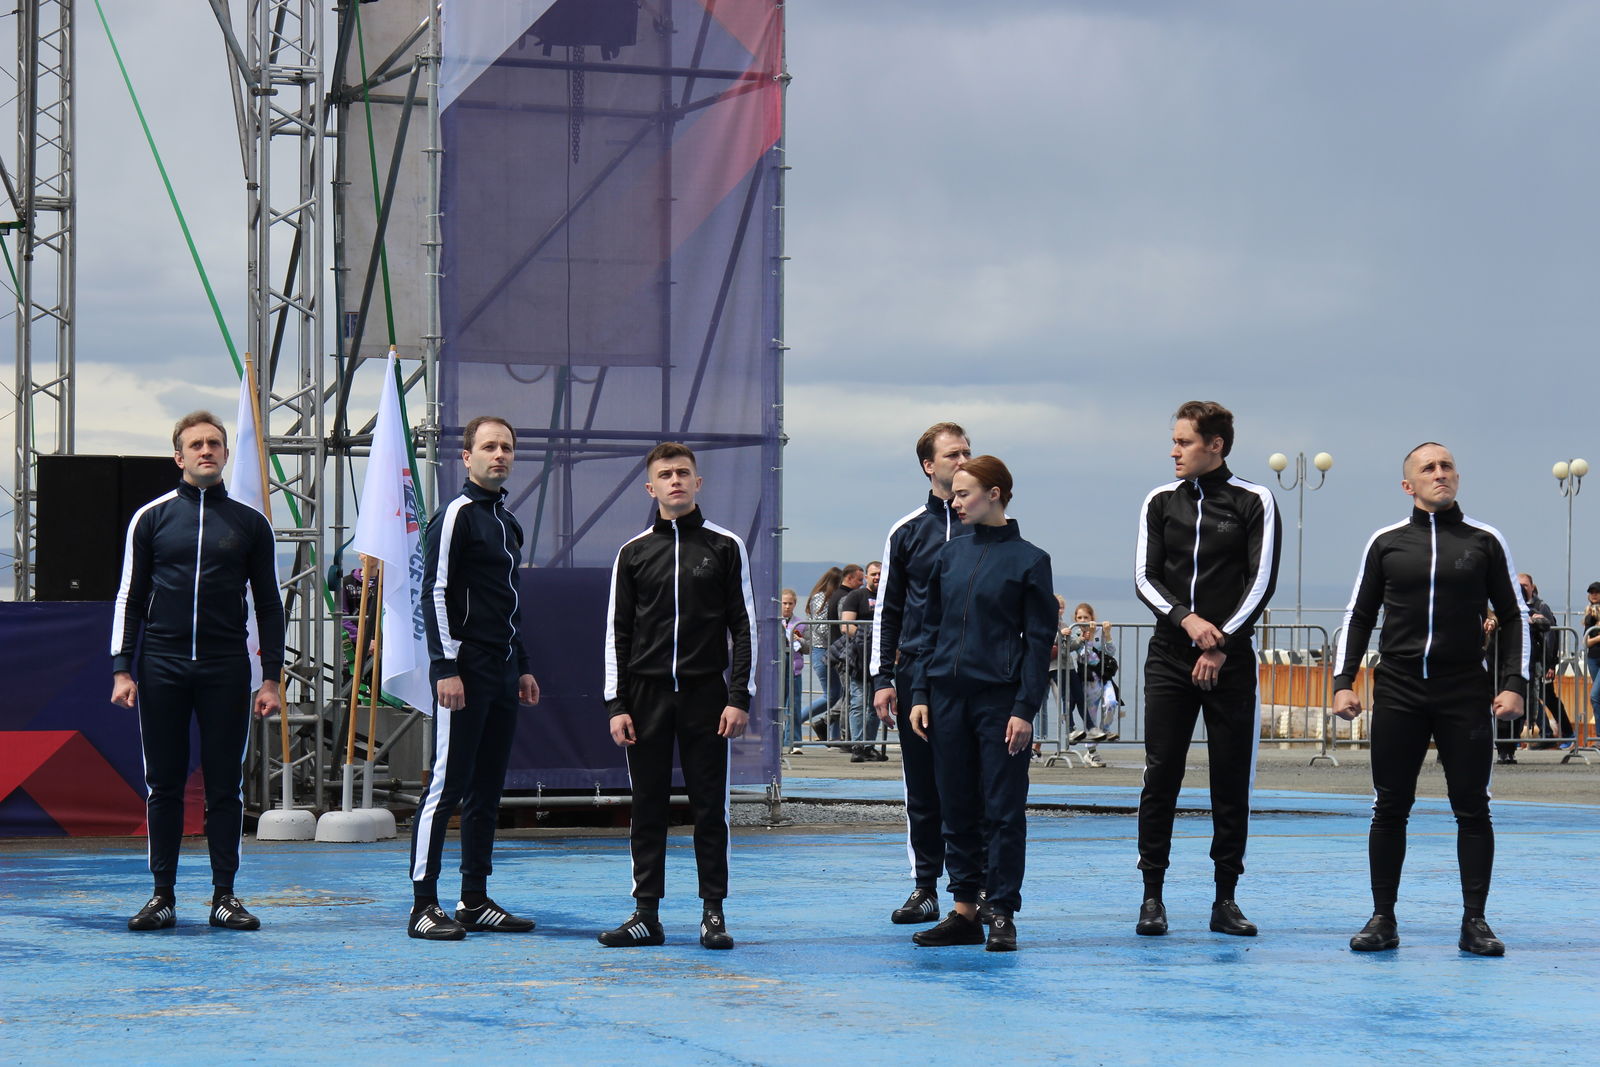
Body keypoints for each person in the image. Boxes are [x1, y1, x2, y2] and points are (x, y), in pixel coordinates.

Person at [1332, 442, 1527, 956]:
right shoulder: (1386, 542)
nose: (1440, 473)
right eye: (1429, 468)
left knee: (1473, 807)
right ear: (1408, 485)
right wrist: (1343, 680)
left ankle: (1475, 921)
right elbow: (1358, 615)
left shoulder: (1485, 540)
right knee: (1389, 806)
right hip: (1399, 688)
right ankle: (1383, 918)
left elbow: (1514, 616)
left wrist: (1514, 683)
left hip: (1463, 689)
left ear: (1457, 477)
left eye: (1447, 466)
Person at [112, 411, 285, 932]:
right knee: (163, 784)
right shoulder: (151, 518)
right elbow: (130, 596)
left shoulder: (251, 523)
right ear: (179, 457)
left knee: (225, 785)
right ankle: (161, 895)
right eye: (196, 444)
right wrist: (122, 668)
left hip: (226, 666)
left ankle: (224, 896)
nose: (206, 450)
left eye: (214, 443)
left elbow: (270, 604)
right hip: (162, 664)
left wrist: (271, 678)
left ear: (226, 454)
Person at [1133, 400, 1281, 938]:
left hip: (1230, 662)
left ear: (1214, 445)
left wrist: (1220, 643)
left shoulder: (1254, 500)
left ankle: (1225, 899)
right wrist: (1188, 620)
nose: (1174, 451)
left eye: (1184, 442)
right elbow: (1145, 578)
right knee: (1161, 776)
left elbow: (1261, 581)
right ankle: (1152, 897)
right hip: (1169, 657)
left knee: (1230, 780)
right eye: (1173, 441)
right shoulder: (1159, 501)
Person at [601, 442, 756, 950]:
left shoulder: (726, 546)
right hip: (645, 697)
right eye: (665, 474)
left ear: (697, 483)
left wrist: (739, 697)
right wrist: (616, 704)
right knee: (647, 804)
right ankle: (646, 913)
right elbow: (618, 632)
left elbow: (744, 626)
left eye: (683, 473)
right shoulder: (632, 553)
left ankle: (713, 913)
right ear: (651, 487)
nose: (675, 481)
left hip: (706, 696)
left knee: (710, 807)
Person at [907, 456, 1055, 952]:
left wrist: (1025, 708)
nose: (954, 501)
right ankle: (965, 912)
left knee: (1003, 809)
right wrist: (921, 693)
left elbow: (1039, 643)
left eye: (964, 493)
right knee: (956, 807)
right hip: (946, 699)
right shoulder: (949, 555)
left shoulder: (1031, 560)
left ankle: (1002, 912)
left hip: (999, 702)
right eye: (953, 493)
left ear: (995, 494)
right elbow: (930, 629)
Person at [408, 415, 543, 941]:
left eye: (506, 447)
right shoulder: (455, 516)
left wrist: (522, 664)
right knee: (447, 787)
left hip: (502, 669)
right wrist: (445, 667)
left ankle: (474, 899)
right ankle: (424, 904)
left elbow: (509, 602)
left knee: (488, 788)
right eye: (489, 447)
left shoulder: (507, 522)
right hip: (463, 668)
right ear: (467, 457)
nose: (499, 455)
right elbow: (434, 592)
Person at [870, 421, 974, 926]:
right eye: (953, 454)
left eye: (968, 452)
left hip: (975, 675)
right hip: (916, 675)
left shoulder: (987, 526)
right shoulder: (907, 531)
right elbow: (887, 609)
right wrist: (882, 679)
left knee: (975, 785)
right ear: (929, 466)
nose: (964, 460)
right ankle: (925, 886)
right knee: (924, 787)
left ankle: (973, 889)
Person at [1518, 574, 1574, 748]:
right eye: (1518, 584)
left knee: (1548, 698)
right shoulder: (1516, 606)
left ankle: (1566, 734)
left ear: (1532, 587)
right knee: (1527, 696)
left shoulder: (1541, 607)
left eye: (1525, 585)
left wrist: (1551, 664)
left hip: (1541, 663)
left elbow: (1551, 636)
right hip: (1525, 663)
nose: (1522, 588)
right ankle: (1546, 733)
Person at [840, 561, 885, 760]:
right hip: (859, 657)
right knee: (858, 703)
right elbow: (846, 625)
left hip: (882, 659)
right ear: (866, 576)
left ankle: (869, 745)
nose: (877, 577)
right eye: (873, 574)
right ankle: (857, 745)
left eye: (880, 574)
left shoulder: (889, 596)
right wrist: (870, 637)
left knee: (877, 705)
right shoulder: (856, 596)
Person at [1066, 603, 1117, 767]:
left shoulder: (1100, 630)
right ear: (1075, 619)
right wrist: (1088, 638)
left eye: (1086, 617)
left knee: (1111, 703)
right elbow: (1084, 656)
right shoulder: (1076, 633)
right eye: (1079, 617)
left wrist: (1107, 634)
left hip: (1103, 677)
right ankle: (1092, 752)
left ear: (1092, 618)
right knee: (1091, 716)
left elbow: (1111, 651)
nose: (1083, 620)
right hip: (1087, 679)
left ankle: (1106, 729)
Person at [802, 567, 843, 741]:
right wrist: (839, 635)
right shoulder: (821, 598)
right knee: (831, 695)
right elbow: (821, 626)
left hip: (829, 650)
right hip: (822, 649)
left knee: (838, 694)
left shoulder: (820, 597)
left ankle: (834, 737)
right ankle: (796, 721)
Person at [780, 589, 806, 754]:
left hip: (794, 670)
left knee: (794, 706)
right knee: (775, 707)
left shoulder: (800, 624)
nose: (787, 606)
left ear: (795, 604)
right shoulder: (773, 622)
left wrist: (801, 640)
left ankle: (794, 741)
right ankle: (774, 740)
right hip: (776, 671)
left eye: (790, 603)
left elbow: (808, 648)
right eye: (784, 603)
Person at [1583, 582, 1600, 739]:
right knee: (1598, 698)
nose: (1594, 595)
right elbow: (1586, 641)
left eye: (1597, 592)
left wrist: (1592, 640)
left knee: (1595, 696)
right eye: (1591, 592)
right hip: (1593, 658)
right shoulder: (1589, 614)